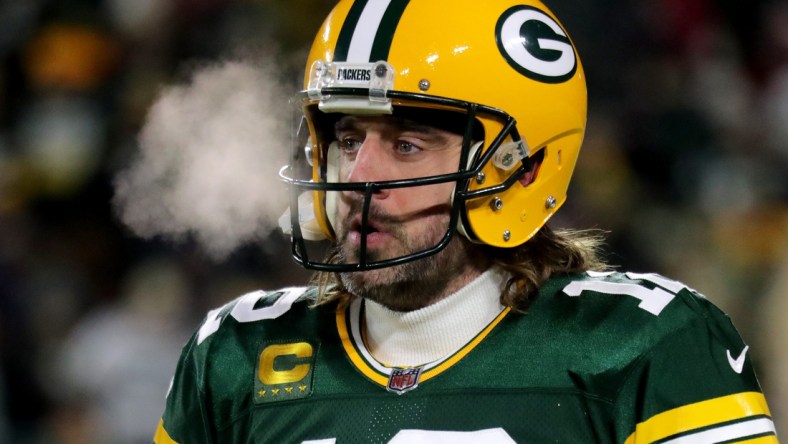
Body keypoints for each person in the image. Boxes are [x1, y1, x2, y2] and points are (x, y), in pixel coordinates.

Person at [153, 0, 778, 442]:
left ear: (522, 168)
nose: (359, 178)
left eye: (407, 145)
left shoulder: (647, 344)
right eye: (347, 138)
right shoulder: (235, 355)